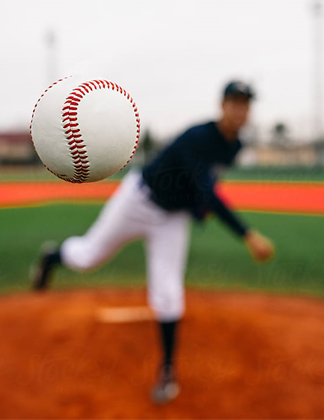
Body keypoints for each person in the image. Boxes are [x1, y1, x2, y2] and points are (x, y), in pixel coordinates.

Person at [30, 80, 275, 404]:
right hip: (139, 201)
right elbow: (206, 190)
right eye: (235, 102)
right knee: (88, 257)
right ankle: (52, 257)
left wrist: (198, 208)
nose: (240, 110)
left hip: (172, 219)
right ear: (222, 105)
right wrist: (247, 234)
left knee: (169, 293)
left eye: (245, 104)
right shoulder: (198, 137)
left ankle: (167, 372)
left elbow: (204, 186)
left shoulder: (234, 146)